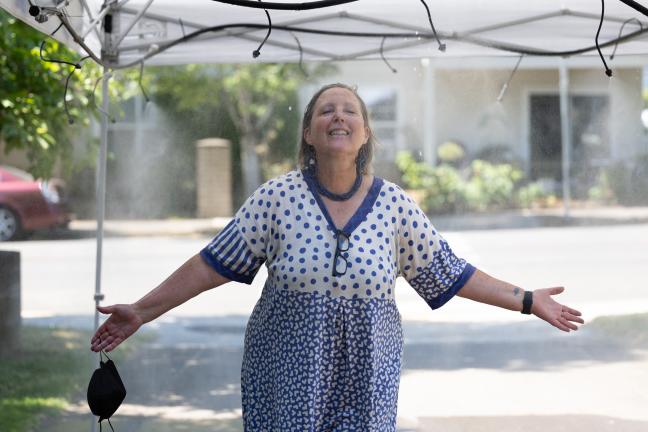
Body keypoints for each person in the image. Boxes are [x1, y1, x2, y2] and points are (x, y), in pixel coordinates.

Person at [90, 83, 584, 431]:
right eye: (326, 110)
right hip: (285, 377)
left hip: (368, 377)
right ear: (308, 132)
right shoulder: (276, 198)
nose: (338, 117)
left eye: (349, 110)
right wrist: (142, 310)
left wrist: (526, 300)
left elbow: (450, 273)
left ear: (365, 133)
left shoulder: (394, 206)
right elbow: (210, 264)